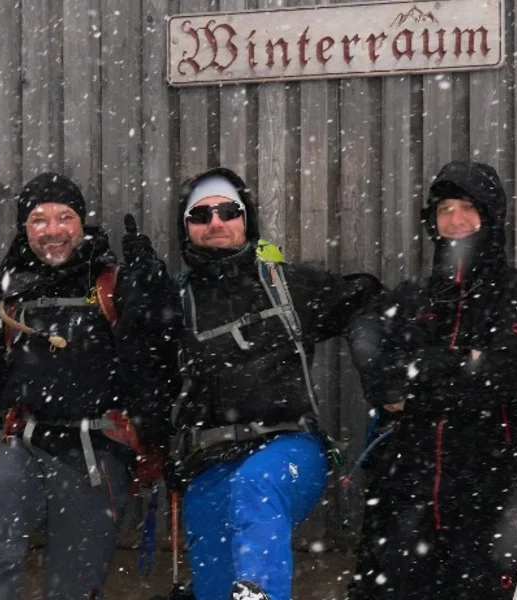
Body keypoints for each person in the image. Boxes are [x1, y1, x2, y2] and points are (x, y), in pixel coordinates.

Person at [163, 167, 382, 600]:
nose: (216, 223)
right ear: (186, 229)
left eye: (228, 211)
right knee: (212, 584)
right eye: (200, 215)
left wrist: (374, 359)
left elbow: (369, 299)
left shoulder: (286, 286)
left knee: (255, 487)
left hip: (288, 446)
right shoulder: (174, 302)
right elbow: (141, 377)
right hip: (208, 458)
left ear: (246, 219)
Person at [0, 172, 179, 600]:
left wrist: (156, 294)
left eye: (64, 217)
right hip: (25, 442)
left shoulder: (111, 285)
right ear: (25, 229)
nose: (53, 231)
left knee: (74, 585)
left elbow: (158, 366)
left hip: (94, 452)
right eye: (39, 220)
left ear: (82, 223)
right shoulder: (12, 290)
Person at [346, 161, 517, 599]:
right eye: (445, 209)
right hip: (405, 488)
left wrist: (418, 373)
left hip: (485, 488)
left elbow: (507, 374)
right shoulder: (411, 297)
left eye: (469, 207)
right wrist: (461, 362)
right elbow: (373, 360)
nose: (455, 220)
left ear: (491, 216)